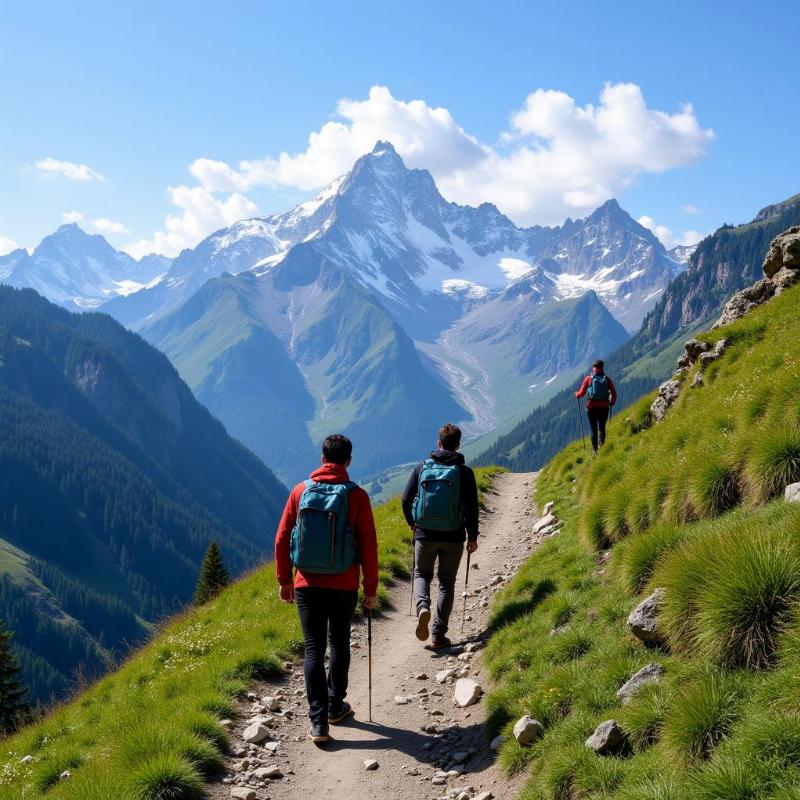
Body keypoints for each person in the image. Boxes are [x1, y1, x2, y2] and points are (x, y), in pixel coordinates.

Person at [274, 434, 378, 745]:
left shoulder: (300, 491)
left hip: (307, 584)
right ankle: (336, 706)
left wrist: (284, 580)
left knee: (313, 650)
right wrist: (370, 588)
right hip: (344, 584)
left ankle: (318, 723)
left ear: (322, 458)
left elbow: (281, 538)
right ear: (348, 460)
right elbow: (369, 546)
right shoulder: (356, 496)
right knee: (340, 643)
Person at [401, 423, 479, 650]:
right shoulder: (464, 473)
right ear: (458, 445)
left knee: (421, 574)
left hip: (424, 534)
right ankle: (437, 635)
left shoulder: (421, 467)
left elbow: (406, 500)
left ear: (439, 443)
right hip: (453, 536)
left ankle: (422, 607)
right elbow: (472, 508)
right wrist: (472, 537)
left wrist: (412, 523)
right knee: (446, 583)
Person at [576, 359, 618, 454]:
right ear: (602, 367)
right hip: (604, 407)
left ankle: (594, 450)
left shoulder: (589, 378)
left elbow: (581, 393)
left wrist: (577, 394)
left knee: (593, 429)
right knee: (602, 428)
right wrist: (611, 403)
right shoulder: (607, 379)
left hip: (591, 408)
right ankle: (602, 447)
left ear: (593, 367)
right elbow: (614, 394)